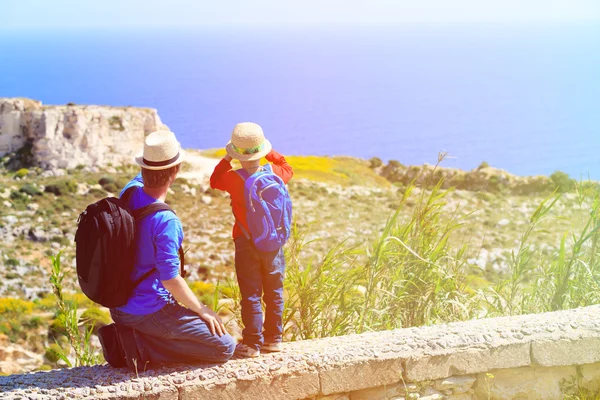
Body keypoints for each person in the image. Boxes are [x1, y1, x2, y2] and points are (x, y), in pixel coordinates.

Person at [100, 130, 235, 370]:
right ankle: (140, 346)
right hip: (146, 310)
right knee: (225, 346)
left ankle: (140, 337)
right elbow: (171, 279)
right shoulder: (166, 221)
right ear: (176, 171)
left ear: (143, 169)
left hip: (118, 304)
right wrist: (202, 310)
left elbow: (149, 173)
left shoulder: (130, 191)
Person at [210, 122, 293, 358]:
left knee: (252, 294)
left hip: (246, 243)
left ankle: (252, 344)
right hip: (273, 243)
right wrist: (270, 153)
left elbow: (214, 180)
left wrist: (227, 159)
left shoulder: (233, 179)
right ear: (262, 150)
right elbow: (287, 166)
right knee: (274, 292)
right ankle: (274, 340)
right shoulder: (276, 174)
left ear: (237, 154)